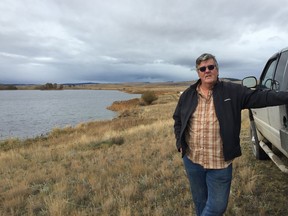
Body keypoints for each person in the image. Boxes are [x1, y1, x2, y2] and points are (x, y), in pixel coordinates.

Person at [173, 53, 288, 216]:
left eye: (211, 67)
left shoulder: (233, 91)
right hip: (193, 161)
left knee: (217, 207)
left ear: (217, 70)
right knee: (200, 202)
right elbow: (178, 119)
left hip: (220, 163)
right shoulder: (188, 95)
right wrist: (179, 143)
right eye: (202, 68)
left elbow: (262, 96)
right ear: (198, 72)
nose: (207, 71)